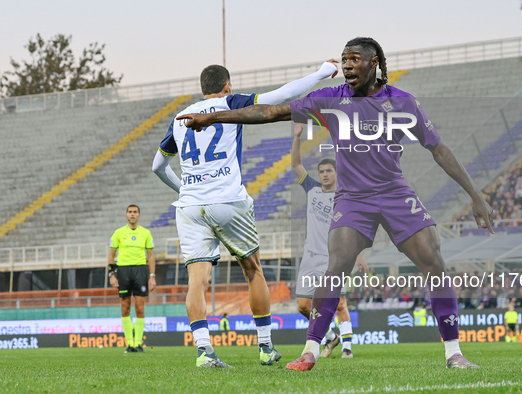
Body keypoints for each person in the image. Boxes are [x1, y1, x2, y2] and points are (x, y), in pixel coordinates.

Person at [177, 37, 494, 370]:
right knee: (335, 268)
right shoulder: (331, 98)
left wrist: (475, 195)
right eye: (344, 60)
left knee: (435, 261)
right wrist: (217, 118)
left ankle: (454, 353)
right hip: (353, 197)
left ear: (374, 63)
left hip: (394, 192)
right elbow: (271, 111)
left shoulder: (402, 103)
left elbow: (439, 149)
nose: (347, 66)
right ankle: (311, 351)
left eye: (355, 59)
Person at [152, 61, 339, 368]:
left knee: (196, 281)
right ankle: (265, 347)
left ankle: (204, 352)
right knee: (252, 270)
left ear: (202, 88)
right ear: (227, 86)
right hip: (228, 200)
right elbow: (279, 97)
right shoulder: (230, 103)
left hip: (188, 206)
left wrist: (184, 188)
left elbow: (157, 166)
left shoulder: (180, 118)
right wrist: (320, 73)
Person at [292, 124, 368, 358]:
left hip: (333, 257)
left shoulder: (345, 196)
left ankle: (347, 349)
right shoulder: (312, 189)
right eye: (322, 171)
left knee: (339, 303)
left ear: (337, 173)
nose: (324, 174)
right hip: (309, 257)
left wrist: (360, 256)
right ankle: (330, 337)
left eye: (328, 171)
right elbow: (296, 165)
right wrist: (297, 137)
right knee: (304, 306)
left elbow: (354, 230)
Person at [108, 204, 156, 353]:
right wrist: (112, 274)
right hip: (123, 270)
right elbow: (111, 255)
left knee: (140, 307)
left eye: (135, 212)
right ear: (126, 215)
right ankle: (130, 344)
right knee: (125, 307)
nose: (132, 214)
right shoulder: (118, 233)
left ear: (139, 215)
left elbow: (151, 256)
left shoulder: (146, 233)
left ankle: (138, 343)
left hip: (140, 270)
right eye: (130, 212)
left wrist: (152, 276)